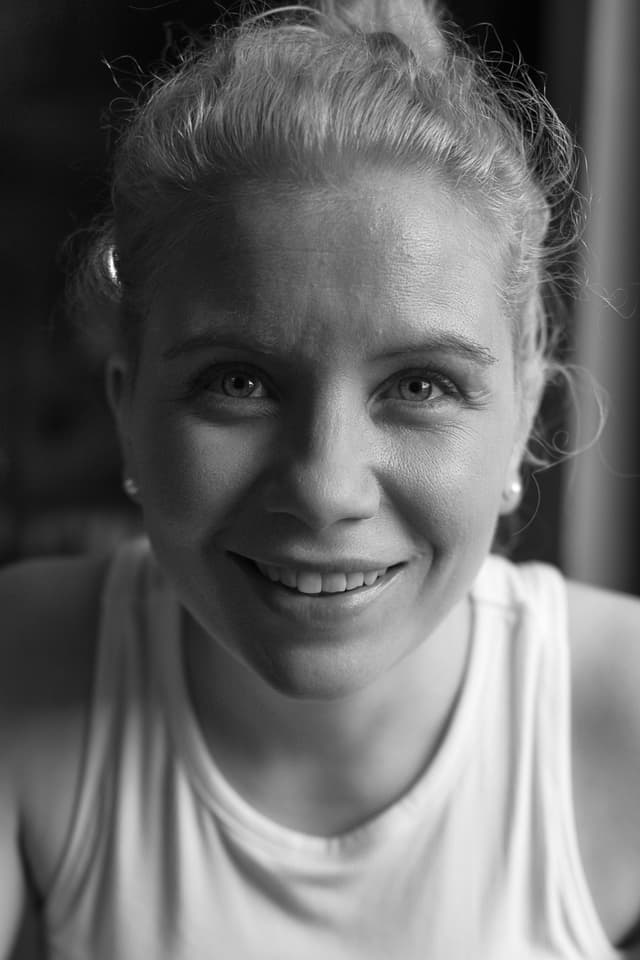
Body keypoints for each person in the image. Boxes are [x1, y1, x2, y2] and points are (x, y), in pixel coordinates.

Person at [2, 1, 640, 957]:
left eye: (420, 385)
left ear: (522, 419)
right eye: (239, 381)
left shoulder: (619, 709)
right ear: (129, 413)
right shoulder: (26, 667)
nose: (325, 486)